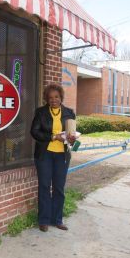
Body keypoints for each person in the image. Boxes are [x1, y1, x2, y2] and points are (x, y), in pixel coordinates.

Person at [30, 83, 76, 232]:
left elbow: (72, 133)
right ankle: (43, 220)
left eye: (56, 97)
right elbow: (34, 132)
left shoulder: (69, 112)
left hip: (62, 155)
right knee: (44, 186)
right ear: (46, 99)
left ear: (61, 97)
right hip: (45, 155)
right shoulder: (41, 112)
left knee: (58, 188)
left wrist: (72, 139)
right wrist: (53, 136)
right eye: (50, 97)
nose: (54, 100)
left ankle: (57, 219)